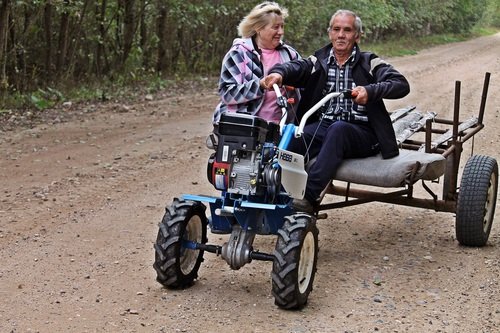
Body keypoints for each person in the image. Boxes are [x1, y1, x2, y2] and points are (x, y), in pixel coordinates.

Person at [262, 9, 410, 213]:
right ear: (330, 33)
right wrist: (279, 74)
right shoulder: (319, 60)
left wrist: (370, 91)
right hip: (324, 127)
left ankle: (309, 196)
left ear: (357, 35)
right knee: (293, 136)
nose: (341, 35)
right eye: (337, 29)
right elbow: (297, 67)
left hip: (362, 132)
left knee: (338, 129)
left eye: (347, 30)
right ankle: (272, 191)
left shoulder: (369, 62)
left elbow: (400, 84)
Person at [212, 2, 301, 124]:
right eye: (275, 27)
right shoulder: (238, 53)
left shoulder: (290, 54)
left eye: (282, 26)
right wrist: (259, 86)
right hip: (242, 126)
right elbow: (227, 94)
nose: (281, 32)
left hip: (281, 127)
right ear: (258, 28)